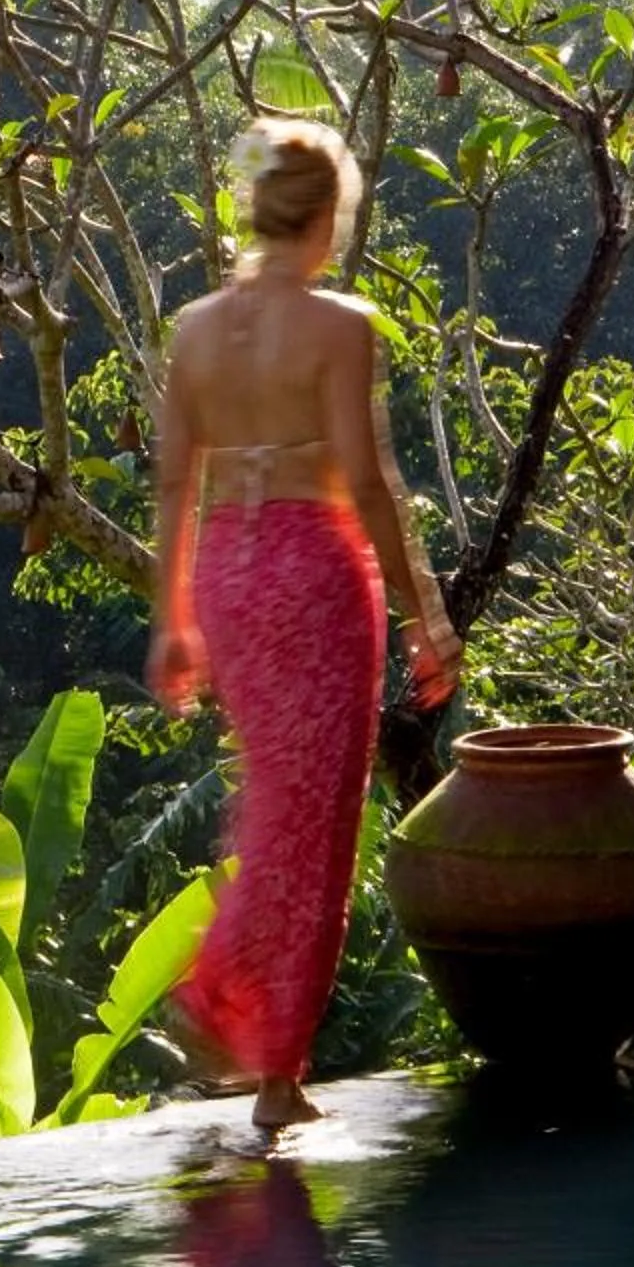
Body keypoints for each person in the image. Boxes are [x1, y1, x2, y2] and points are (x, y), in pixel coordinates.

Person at [149, 117, 459, 1129]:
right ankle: (233, 1004)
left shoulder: (192, 329)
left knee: (278, 798)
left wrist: (172, 621)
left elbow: (172, 486)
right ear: (327, 218)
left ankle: (278, 1068)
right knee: (313, 818)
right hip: (318, 572)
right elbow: (368, 484)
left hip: (229, 583)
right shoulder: (341, 326)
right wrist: (427, 610)